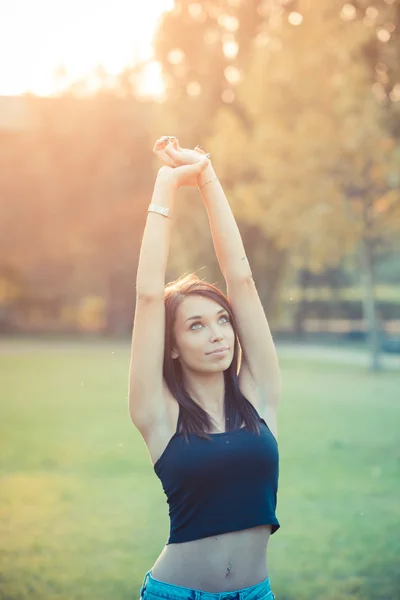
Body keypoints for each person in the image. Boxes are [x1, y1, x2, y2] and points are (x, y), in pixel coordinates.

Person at [129, 136, 281, 600]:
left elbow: (242, 279)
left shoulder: (258, 396)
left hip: (257, 594)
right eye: (195, 325)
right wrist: (167, 185)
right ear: (171, 346)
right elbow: (149, 295)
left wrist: (207, 176)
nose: (217, 333)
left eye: (221, 320)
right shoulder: (158, 414)